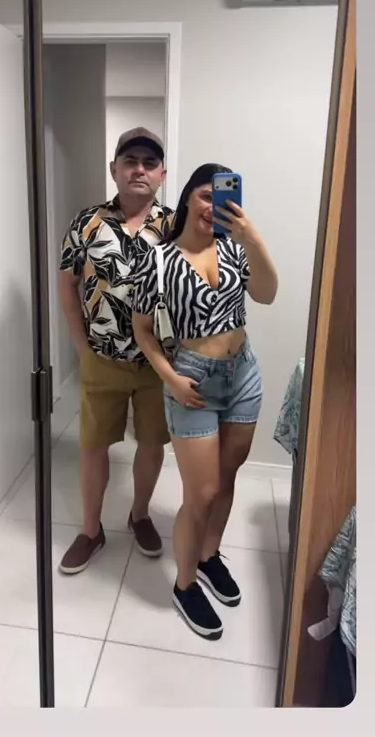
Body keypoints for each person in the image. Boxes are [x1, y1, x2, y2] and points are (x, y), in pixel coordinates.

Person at [132, 163, 278, 640]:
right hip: (192, 381)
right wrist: (171, 379)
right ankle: (185, 583)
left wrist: (253, 238)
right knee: (202, 493)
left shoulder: (235, 248)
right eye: (204, 195)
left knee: (228, 476)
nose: (212, 206)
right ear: (187, 199)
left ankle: (208, 555)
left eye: (221, 198)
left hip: (244, 374)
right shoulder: (158, 260)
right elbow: (143, 330)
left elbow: (267, 294)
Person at [58, 128, 174, 575]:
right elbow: (67, 284)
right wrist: (80, 345)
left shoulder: (175, 226)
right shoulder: (86, 223)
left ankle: (139, 515)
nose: (139, 169)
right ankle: (91, 531)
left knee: (151, 444)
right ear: (115, 170)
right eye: (130, 161)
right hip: (101, 358)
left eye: (149, 162)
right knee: (93, 446)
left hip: (156, 364)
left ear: (162, 174)